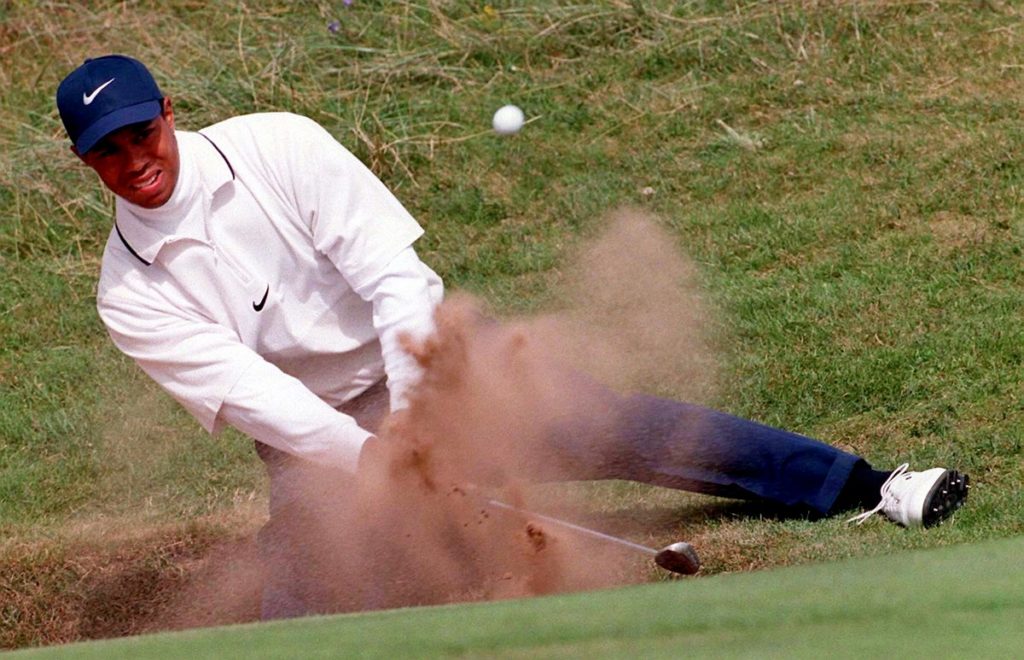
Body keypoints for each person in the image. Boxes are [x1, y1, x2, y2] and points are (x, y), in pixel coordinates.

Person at [57, 55, 969, 619]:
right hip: (315, 434)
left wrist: (416, 424)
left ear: (168, 110)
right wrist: (375, 457)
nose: (134, 160)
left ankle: (869, 484)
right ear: (84, 160)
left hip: (425, 363)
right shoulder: (127, 293)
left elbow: (392, 281)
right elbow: (258, 397)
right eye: (108, 151)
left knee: (610, 425)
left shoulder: (279, 147)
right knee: (311, 592)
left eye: (141, 132)